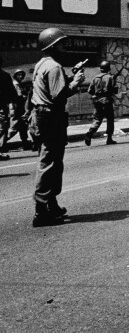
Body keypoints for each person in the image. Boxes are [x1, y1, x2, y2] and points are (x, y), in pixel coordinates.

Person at [30, 27, 86, 227]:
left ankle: (51, 204)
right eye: (61, 43)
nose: (64, 46)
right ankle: (42, 210)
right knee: (50, 163)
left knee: (52, 161)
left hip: (43, 116)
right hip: (51, 117)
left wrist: (70, 77)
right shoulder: (54, 67)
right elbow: (58, 95)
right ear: (53, 45)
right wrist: (76, 82)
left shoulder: (42, 64)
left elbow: (51, 89)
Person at [84, 60, 118, 146]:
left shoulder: (95, 78)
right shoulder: (110, 78)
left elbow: (89, 90)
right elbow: (115, 90)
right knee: (110, 120)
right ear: (108, 69)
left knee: (97, 119)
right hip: (107, 101)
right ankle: (109, 138)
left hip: (97, 101)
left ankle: (90, 133)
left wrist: (96, 95)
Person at [8, 69, 31, 150]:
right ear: (15, 76)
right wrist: (25, 96)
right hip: (16, 108)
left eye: (22, 75)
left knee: (23, 127)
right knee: (14, 127)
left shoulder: (19, 84)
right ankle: (2, 143)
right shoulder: (16, 84)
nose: (21, 76)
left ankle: (25, 143)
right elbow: (18, 97)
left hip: (19, 108)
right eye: (19, 75)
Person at [0, 58, 17, 157]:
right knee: (2, 127)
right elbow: (11, 91)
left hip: (2, 105)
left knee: (2, 127)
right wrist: (14, 102)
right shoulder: (5, 76)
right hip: (1, 105)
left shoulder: (5, 76)